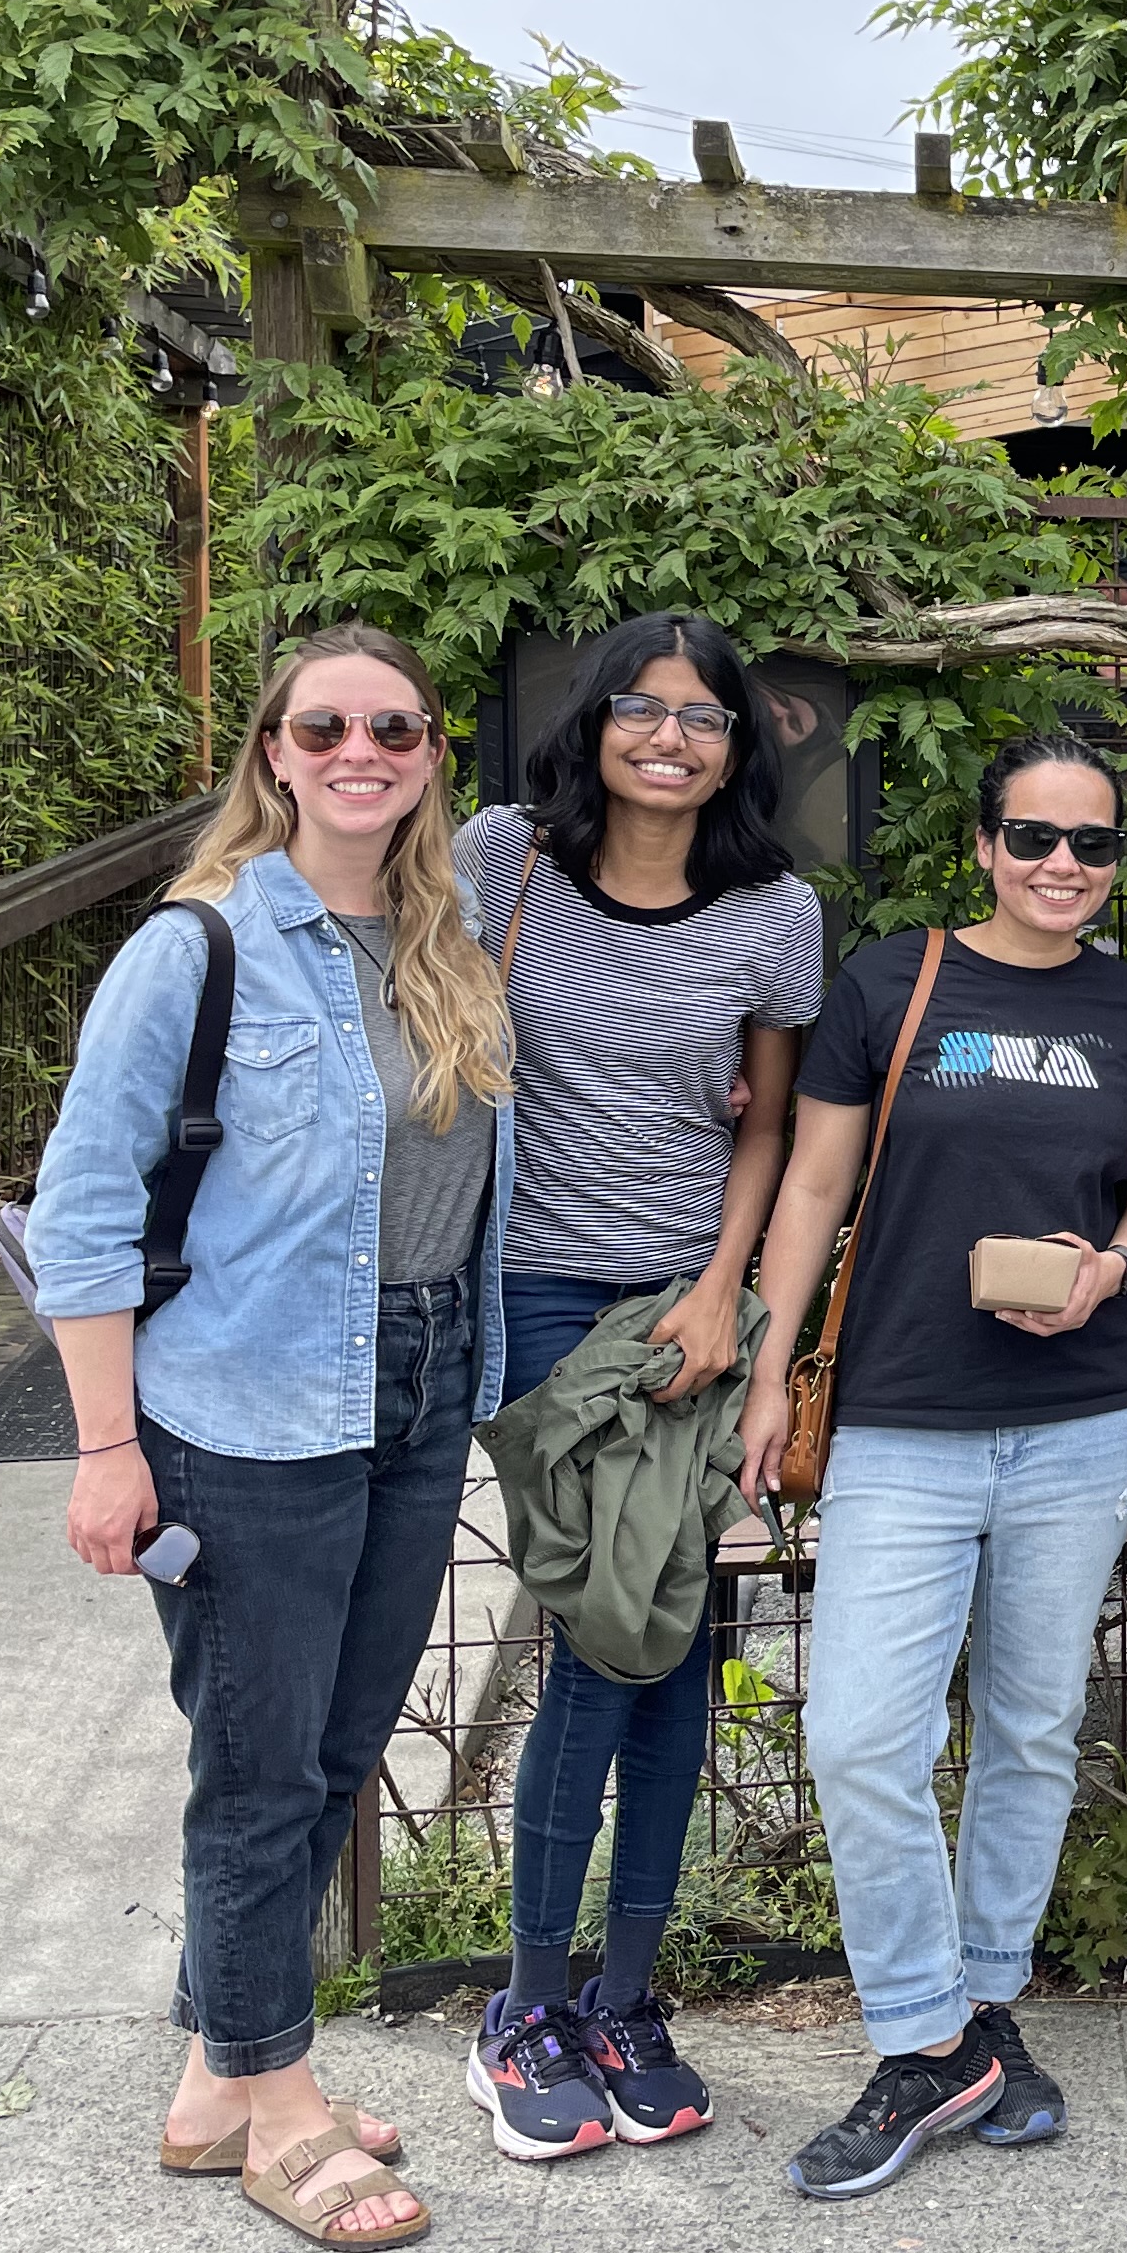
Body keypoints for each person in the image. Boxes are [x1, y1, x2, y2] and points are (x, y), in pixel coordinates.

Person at [28, 622, 513, 2253]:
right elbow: (90, 1210)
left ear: (434, 751)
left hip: (423, 1379)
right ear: (274, 752)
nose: (359, 751)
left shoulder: (446, 943)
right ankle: (283, 2114)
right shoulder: (199, 945)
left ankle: (211, 2081)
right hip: (249, 1408)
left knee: (325, 1750)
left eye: (394, 726)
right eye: (325, 727)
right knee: (255, 1772)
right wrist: (108, 1449)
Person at [738, 732, 1127, 2201]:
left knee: (1031, 1728)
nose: (1063, 864)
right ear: (986, 846)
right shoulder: (891, 979)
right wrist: (768, 1361)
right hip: (900, 1416)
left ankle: (982, 2008)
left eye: (1092, 843)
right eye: (1034, 837)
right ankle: (924, 2034)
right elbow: (814, 1180)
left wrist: (1116, 1263)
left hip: (1079, 1413)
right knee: (862, 1735)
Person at [450, 613, 825, 2160]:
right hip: (537, 1301)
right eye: (641, 709)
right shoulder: (501, 861)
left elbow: (769, 1128)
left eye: (703, 717)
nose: (669, 737)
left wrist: (728, 1302)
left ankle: (622, 1992)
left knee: (678, 1644)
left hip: (688, 1309)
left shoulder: (774, 913)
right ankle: (526, 2003)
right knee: (608, 1634)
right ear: (594, 723)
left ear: (741, 745)